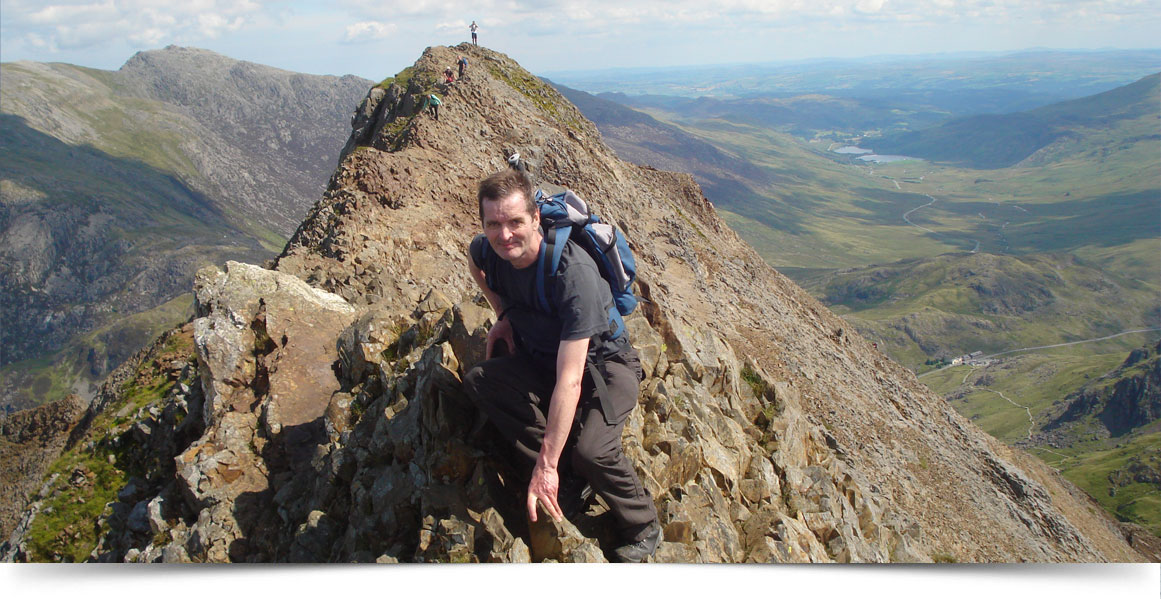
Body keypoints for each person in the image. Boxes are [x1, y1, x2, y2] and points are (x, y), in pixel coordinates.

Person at [463, 169, 661, 563]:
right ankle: (571, 476)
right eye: (494, 224)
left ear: (535, 219)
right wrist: (501, 314)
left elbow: (569, 381)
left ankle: (643, 525)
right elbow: (473, 259)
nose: (504, 235)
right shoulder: (490, 251)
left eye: (516, 222)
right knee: (482, 381)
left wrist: (546, 466)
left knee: (593, 451)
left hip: (603, 366)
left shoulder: (572, 273)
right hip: (544, 356)